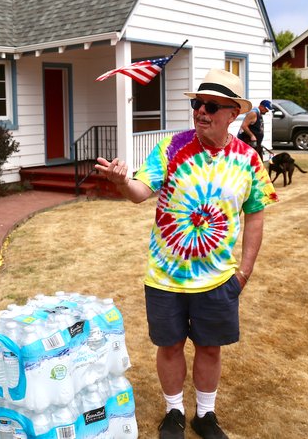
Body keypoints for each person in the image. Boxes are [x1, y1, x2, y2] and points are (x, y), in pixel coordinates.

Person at [95, 69, 278, 439]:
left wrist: (244, 272)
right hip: (166, 276)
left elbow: (255, 215)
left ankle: (205, 415)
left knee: (210, 349)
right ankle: (174, 411)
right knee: (170, 345)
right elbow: (139, 192)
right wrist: (120, 181)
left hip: (219, 278)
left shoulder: (248, 159)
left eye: (211, 106)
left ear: (233, 114)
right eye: (197, 104)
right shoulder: (171, 148)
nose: (201, 112)